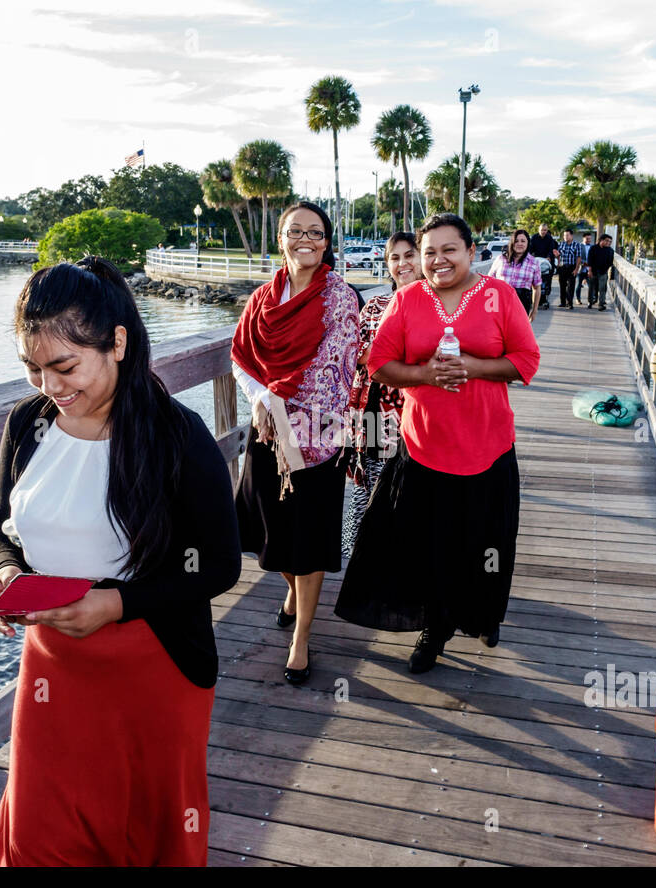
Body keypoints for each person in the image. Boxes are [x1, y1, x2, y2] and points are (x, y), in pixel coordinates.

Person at [0, 256, 242, 867]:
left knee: (145, 831)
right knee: (43, 832)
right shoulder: (27, 425)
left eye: (65, 366)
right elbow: (0, 527)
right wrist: (9, 574)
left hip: (155, 663)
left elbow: (220, 563)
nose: (50, 387)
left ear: (117, 343)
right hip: (53, 665)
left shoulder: (178, 436)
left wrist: (117, 602)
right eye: (33, 369)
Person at [335, 213, 541, 674]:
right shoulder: (407, 300)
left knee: (487, 542)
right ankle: (435, 627)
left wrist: (473, 366)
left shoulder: (499, 295)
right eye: (429, 252)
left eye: (449, 249)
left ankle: (484, 615)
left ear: (472, 251)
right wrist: (426, 374)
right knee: (431, 544)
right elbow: (381, 362)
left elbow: (527, 359)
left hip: (487, 446)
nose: (437, 260)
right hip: (424, 446)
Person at [231, 201, 360, 685]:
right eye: (295, 231)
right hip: (267, 433)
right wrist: (264, 397)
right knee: (271, 535)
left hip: (318, 441)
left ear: (327, 242)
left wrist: (283, 406)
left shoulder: (340, 298)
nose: (305, 239)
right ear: (280, 239)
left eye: (316, 232)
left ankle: (301, 638)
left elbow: (335, 368)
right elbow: (240, 355)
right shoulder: (262, 299)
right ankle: (289, 591)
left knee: (308, 541)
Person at [342, 232, 421, 557]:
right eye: (395, 258)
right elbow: (354, 353)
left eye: (409, 255)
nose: (402, 264)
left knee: (408, 491)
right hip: (373, 410)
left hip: (416, 412)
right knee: (368, 487)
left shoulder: (437, 302)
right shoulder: (375, 304)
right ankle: (360, 557)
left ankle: (399, 562)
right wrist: (386, 352)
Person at [487, 228, 541, 322]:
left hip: (522, 303)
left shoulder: (534, 262)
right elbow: (489, 282)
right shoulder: (501, 259)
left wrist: (534, 310)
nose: (519, 244)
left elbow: (536, 288)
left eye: (523, 241)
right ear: (512, 243)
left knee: (517, 334)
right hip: (500, 302)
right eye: (516, 241)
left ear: (528, 243)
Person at [528, 223, 559, 310]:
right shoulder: (534, 238)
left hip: (547, 262)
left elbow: (551, 249)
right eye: (542, 230)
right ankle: (532, 299)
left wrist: (549, 257)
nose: (543, 232)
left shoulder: (550, 238)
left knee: (547, 281)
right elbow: (530, 249)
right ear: (539, 230)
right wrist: (531, 257)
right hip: (536, 261)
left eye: (545, 230)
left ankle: (545, 298)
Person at [555, 228, 583, 309]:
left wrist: (576, 269)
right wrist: (557, 257)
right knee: (562, 286)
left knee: (571, 286)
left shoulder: (577, 245)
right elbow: (558, 256)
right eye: (564, 235)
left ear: (571, 235)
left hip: (572, 267)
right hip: (562, 267)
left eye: (567, 235)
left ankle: (570, 303)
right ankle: (563, 302)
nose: (565, 237)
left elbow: (578, 258)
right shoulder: (561, 244)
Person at [586, 233, 615, 310]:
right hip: (593, 271)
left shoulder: (610, 250)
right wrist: (589, 271)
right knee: (591, 288)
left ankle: (601, 304)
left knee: (602, 288)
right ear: (601, 240)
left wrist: (605, 269)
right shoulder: (593, 248)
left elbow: (610, 262)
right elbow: (589, 260)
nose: (608, 243)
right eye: (607, 241)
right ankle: (590, 302)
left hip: (603, 272)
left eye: (610, 242)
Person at [574, 233, 593, 305]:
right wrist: (583, 263)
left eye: (590, 239)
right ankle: (578, 299)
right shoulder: (579, 246)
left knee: (590, 286)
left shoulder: (592, 247)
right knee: (578, 285)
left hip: (589, 269)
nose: (589, 240)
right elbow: (577, 256)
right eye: (587, 238)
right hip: (581, 269)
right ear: (583, 238)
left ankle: (590, 301)